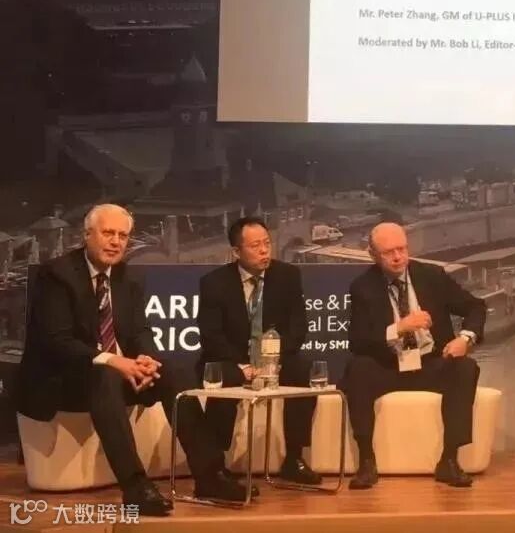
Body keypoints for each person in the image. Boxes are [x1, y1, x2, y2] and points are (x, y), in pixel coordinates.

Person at [16, 204, 246, 515]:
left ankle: (210, 475)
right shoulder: (56, 275)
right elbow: (57, 342)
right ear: (87, 235)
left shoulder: (128, 276)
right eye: (108, 233)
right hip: (63, 380)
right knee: (105, 375)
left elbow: (139, 331)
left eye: (122, 236)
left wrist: (147, 359)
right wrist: (114, 361)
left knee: (173, 373)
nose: (116, 242)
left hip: (113, 377)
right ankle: (136, 486)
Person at [341, 222, 485, 489]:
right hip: (389, 366)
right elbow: (357, 341)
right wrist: (399, 328)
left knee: (465, 367)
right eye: (389, 252)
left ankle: (449, 460)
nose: (398, 257)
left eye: (402, 249)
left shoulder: (432, 276)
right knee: (358, 368)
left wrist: (465, 339)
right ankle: (367, 461)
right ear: (373, 255)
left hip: (429, 362)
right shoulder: (363, 287)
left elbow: (476, 306)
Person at [197, 216, 320, 486]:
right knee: (224, 377)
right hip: (232, 359)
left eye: (267, 243)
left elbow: (298, 327)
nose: (264, 250)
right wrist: (243, 366)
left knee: (302, 369)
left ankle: (294, 458)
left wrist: (273, 362)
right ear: (236, 251)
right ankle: (216, 464)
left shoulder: (288, 276)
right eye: (255, 246)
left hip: (275, 358)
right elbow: (211, 335)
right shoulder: (214, 283)